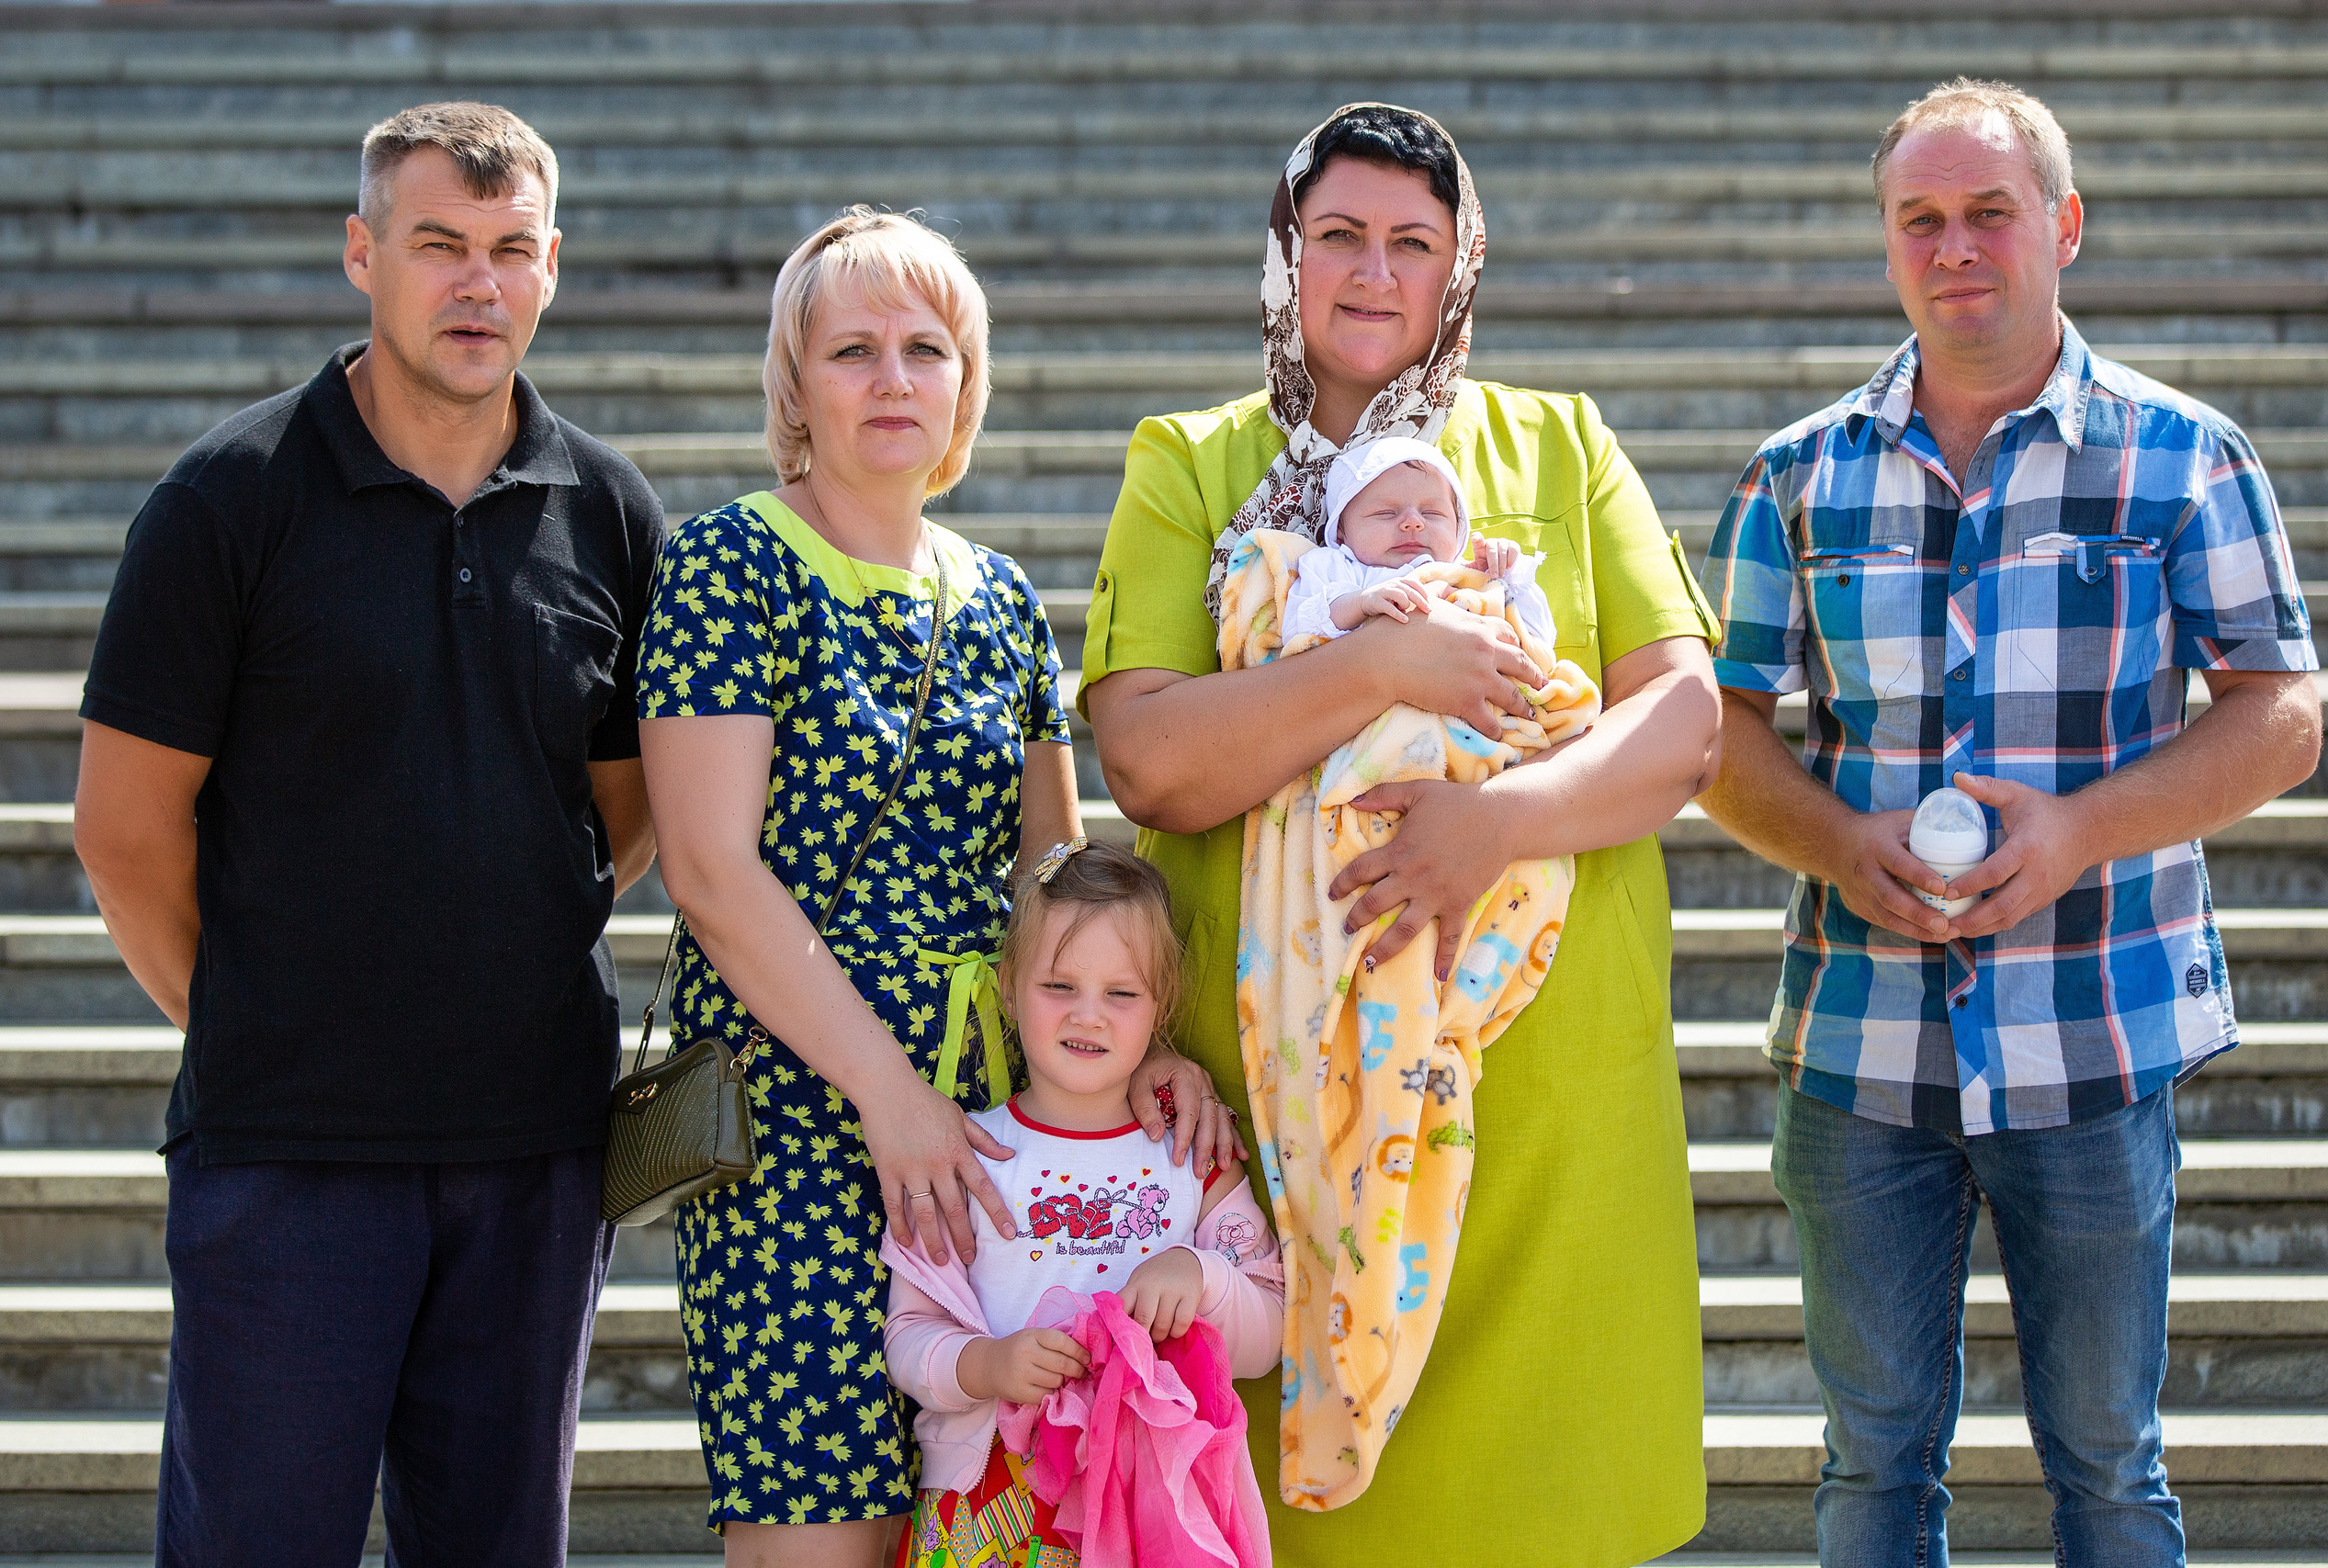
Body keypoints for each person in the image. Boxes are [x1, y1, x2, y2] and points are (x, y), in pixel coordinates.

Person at [1080, 103, 1724, 1564]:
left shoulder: (1561, 445)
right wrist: (1375, 667)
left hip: (1548, 1120)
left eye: (1412, 244)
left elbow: (1682, 726)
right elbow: (1152, 759)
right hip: (1279, 1119)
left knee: (1546, 1510)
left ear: (1460, 266)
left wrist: (1495, 823)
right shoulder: (1190, 463)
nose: (1373, 274)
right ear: (1284, 258)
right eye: (1339, 237)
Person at [1697, 79, 2322, 1567]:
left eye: (1990, 211)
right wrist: (1845, 846)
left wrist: (2085, 826)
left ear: (2065, 225)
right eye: (1922, 218)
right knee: (1871, 1467)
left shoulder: (2186, 455)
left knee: (2110, 1464)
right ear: (1889, 241)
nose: (1956, 245)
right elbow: (1718, 738)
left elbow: (2280, 714)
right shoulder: (1797, 473)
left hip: (2096, 1037)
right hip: (1858, 1047)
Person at [72, 102, 665, 1565]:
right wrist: (258, 1011)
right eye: (440, 246)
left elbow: (626, 815)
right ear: (362, 253)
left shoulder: (608, 510)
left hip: (535, 1153)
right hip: (287, 1155)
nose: (479, 283)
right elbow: (124, 828)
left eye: (512, 250)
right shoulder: (226, 502)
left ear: (551, 269)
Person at [636, 209, 1240, 1568]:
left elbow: (1055, 875)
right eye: (853, 349)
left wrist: (1144, 1052)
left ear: (967, 381)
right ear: (797, 385)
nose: (893, 377)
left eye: (926, 347)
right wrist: (888, 1097)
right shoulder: (729, 565)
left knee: (1004, 1524)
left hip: (998, 1138)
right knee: (826, 1532)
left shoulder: (1005, 597)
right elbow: (714, 871)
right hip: (799, 1123)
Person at [882, 840, 1283, 1568]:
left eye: (1121, 993)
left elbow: (1272, 1326)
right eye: (1059, 986)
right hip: (987, 1513)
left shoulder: (1195, 1155)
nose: (1089, 1015)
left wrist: (1201, 1275)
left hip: (1150, 1515)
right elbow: (907, 1334)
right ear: (1008, 988)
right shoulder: (963, 1160)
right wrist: (986, 1364)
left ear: (1161, 1003)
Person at [1280, 435, 1552, 647]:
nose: (1413, 522)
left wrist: (1509, 577)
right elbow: (1297, 626)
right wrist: (1361, 603)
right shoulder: (1337, 567)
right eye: (1385, 513)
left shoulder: (1468, 576)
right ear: (1341, 531)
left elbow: (1538, 641)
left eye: (1432, 513)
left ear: (1458, 528)